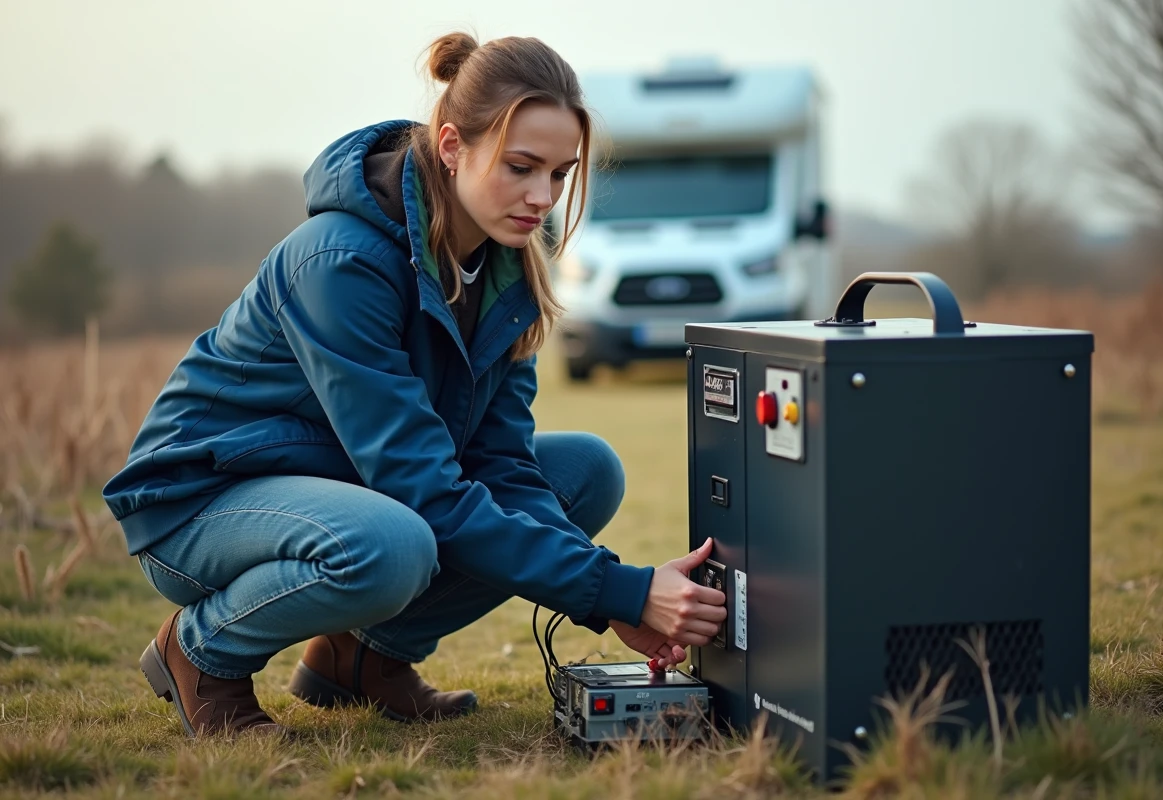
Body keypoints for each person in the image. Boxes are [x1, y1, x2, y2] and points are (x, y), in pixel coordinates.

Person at [102, 31, 728, 738]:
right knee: (395, 542)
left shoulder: (507, 269)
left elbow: (502, 468)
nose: (542, 197)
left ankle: (365, 661)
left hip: (345, 490)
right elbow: (420, 485)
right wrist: (624, 589)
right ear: (454, 146)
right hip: (200, 503)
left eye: (559, 174)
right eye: (521, 167)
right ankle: (200, 654)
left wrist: (613, 595)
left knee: (583, 472)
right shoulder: (341, 261)